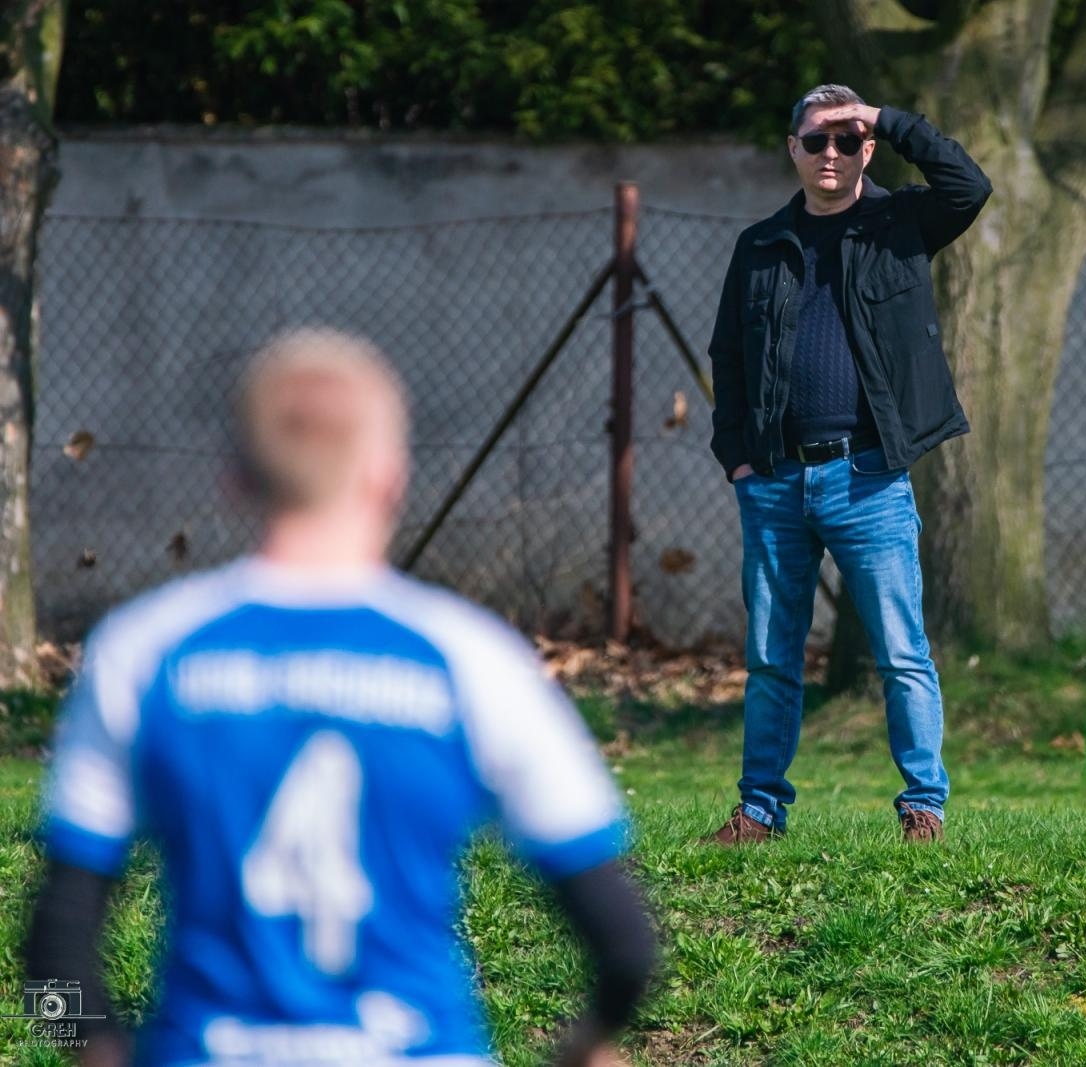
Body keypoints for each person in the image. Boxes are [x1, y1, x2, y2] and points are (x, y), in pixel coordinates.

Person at [24, 330, 657, 1067]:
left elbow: (50, 952)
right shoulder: (472, 659)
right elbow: (627, 948)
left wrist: (94, 1053)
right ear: (390, 476)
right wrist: (586, 1045)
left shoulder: (143, 650)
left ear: (236, 478)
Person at [704, 83, 991, 844]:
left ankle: (923, 806)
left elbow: (971, 186)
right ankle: (760, 811)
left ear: (866, 148)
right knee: (771, 656)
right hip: (773, 480)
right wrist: (737, 458)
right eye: (814, 140)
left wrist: (889, 121)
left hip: (869, 477)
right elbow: (728, 359)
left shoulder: (900, 223)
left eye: (846, 140)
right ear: (791, 150)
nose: (829, 153)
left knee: (901, 652)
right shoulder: (760, 246)